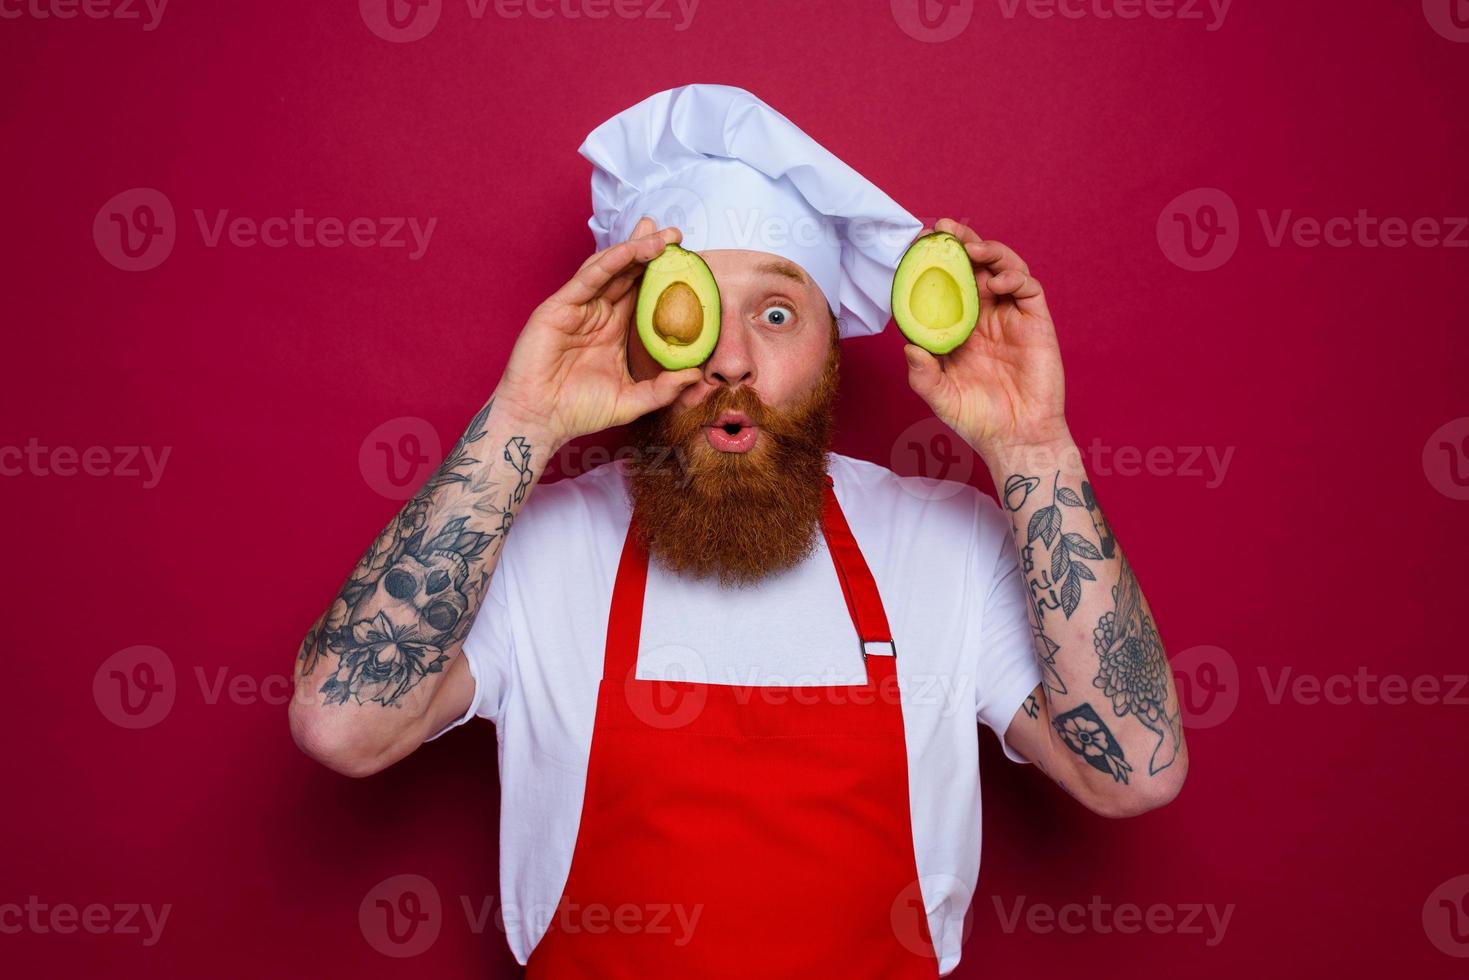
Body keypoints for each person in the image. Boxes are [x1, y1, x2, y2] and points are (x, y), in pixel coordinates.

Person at [290, 84, 1188, 978]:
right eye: (691, 314)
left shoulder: (945, 546)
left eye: (775, 313)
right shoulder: (534, 545)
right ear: (637, 334)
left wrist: (1034, 447)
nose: (730, 358)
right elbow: (341, 727)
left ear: (831, 346)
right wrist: (520, 421)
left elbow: (1132, 773)